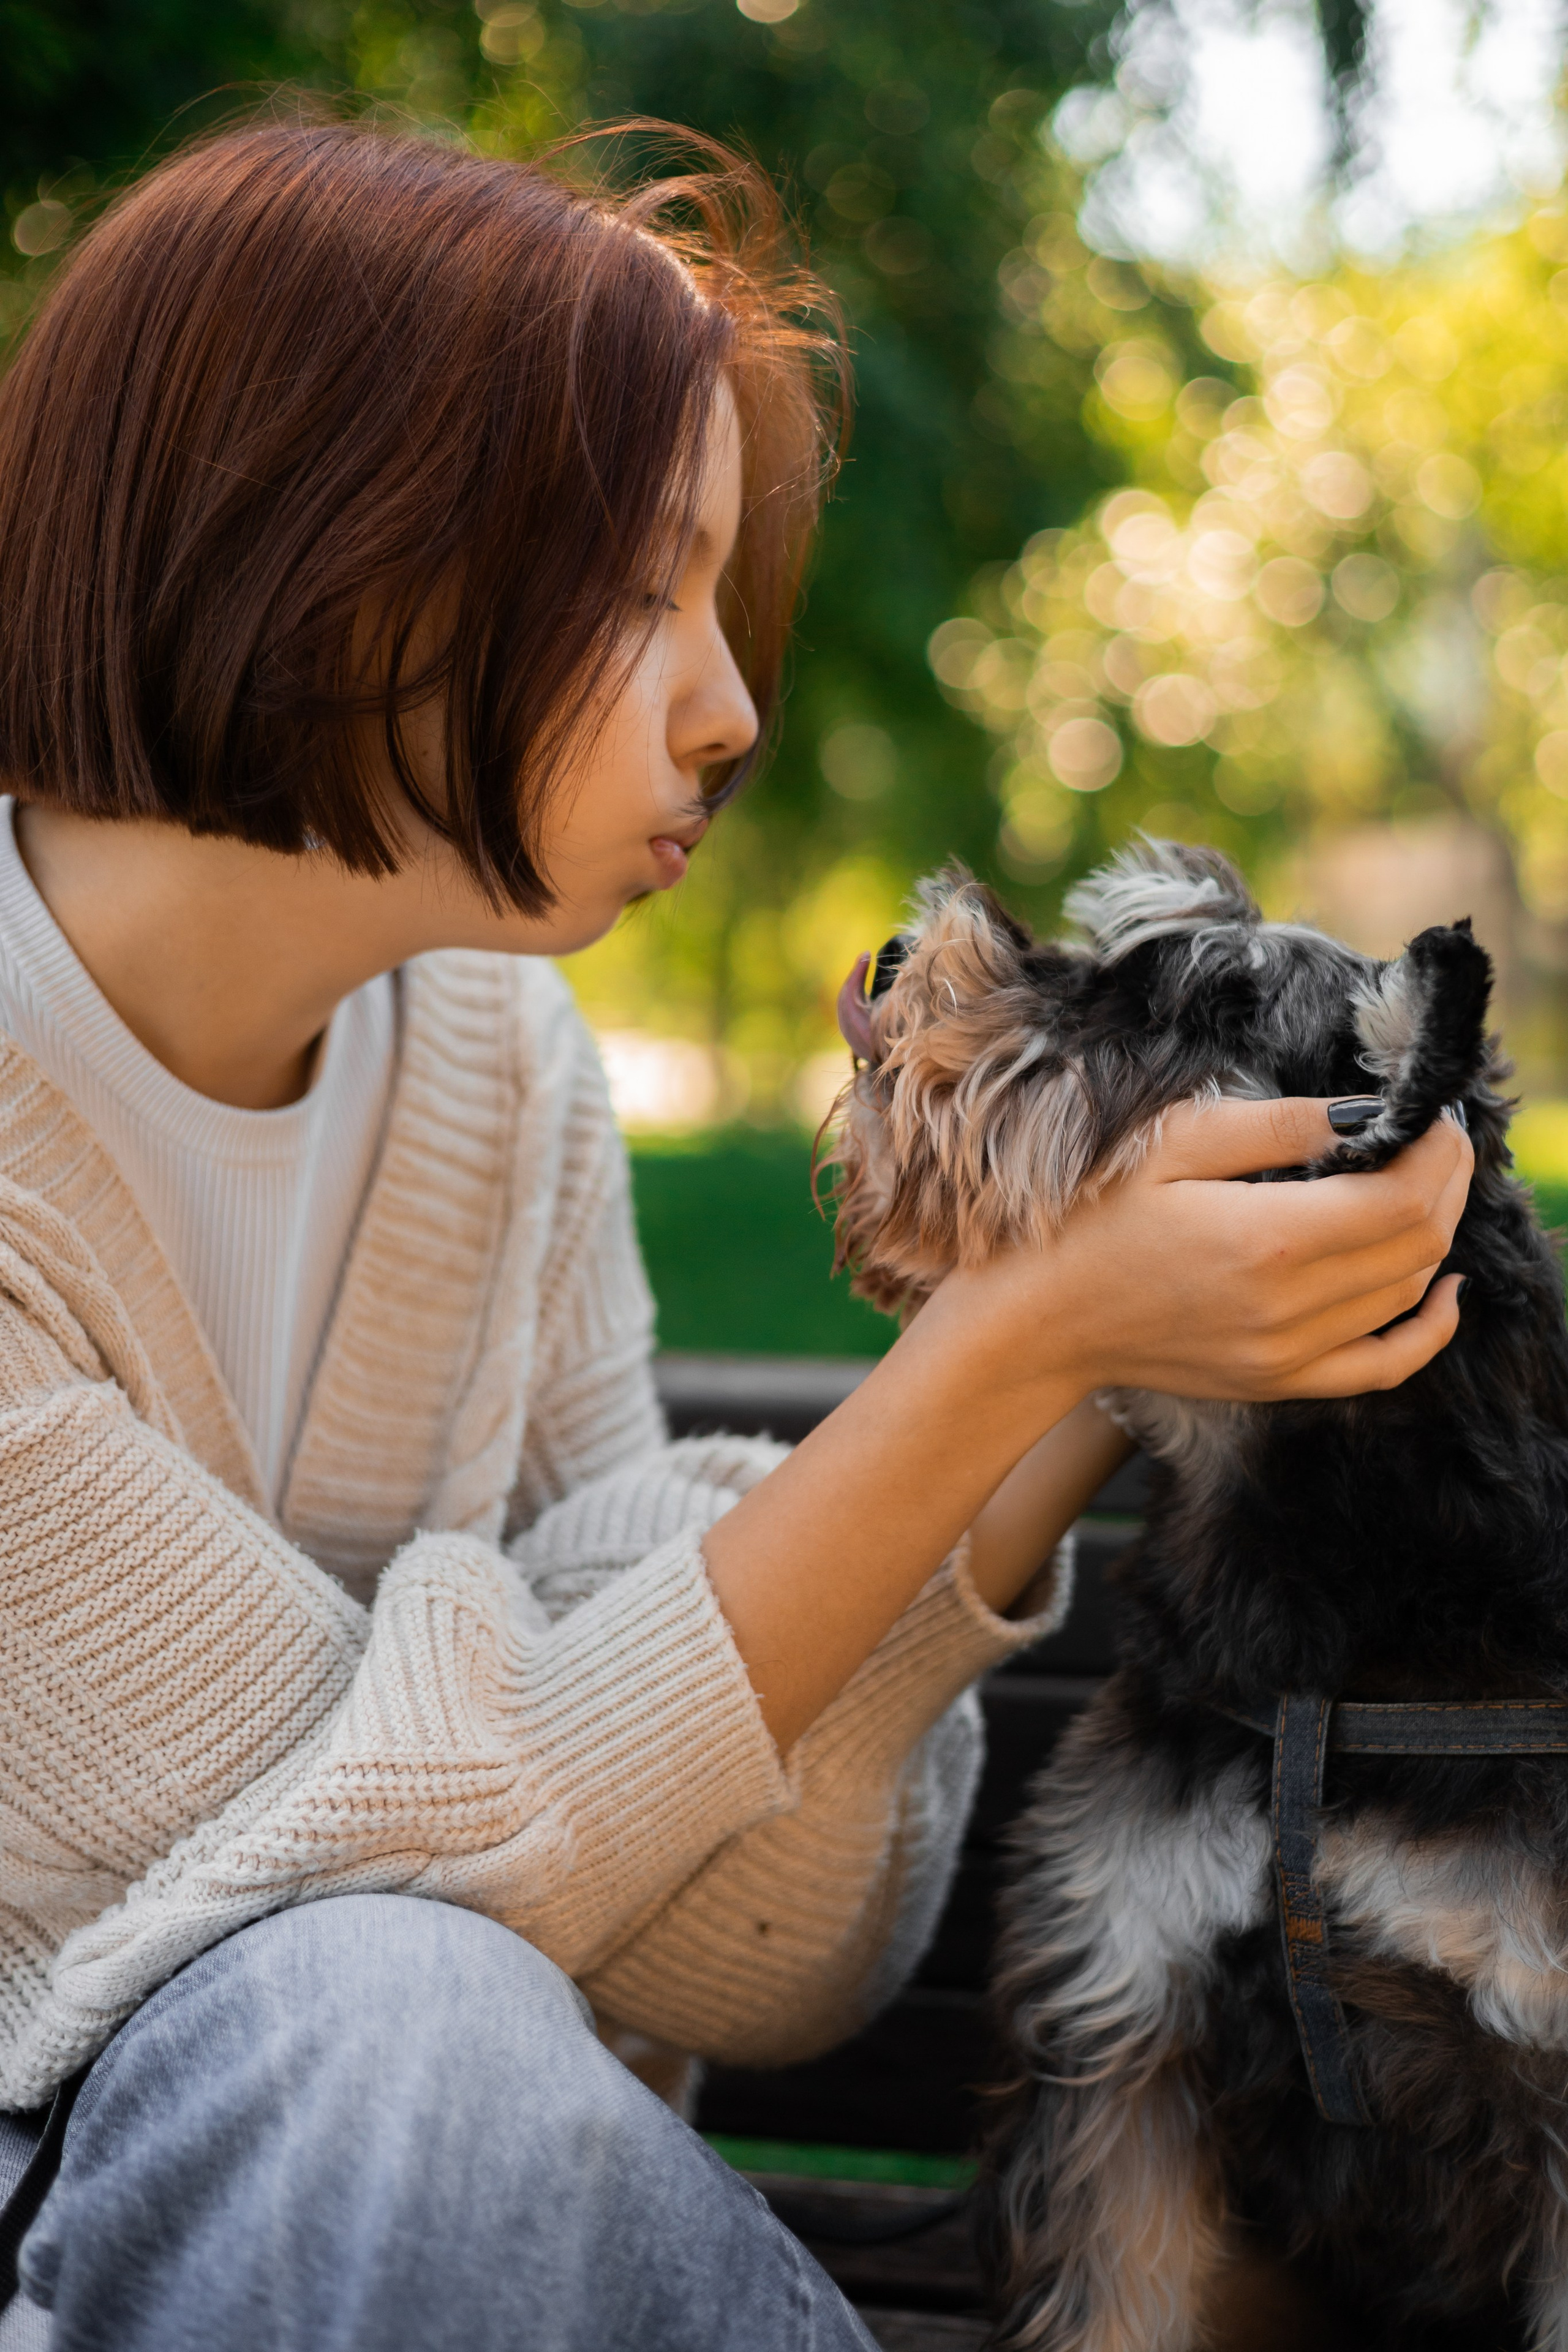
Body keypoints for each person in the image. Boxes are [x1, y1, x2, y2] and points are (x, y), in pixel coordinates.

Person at [0, 115, 1470, 2352]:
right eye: (641, 591)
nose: (735, 705)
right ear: (326, 548)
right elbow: (397, 1923)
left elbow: (771, 1955)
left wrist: (1071, 1361)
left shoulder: (494, 1067)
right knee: (379, 2019)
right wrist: (1001, 1356)